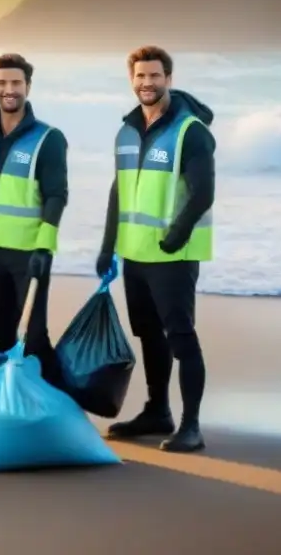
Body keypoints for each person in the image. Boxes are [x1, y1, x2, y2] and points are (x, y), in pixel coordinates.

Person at [99, 46, 215, 454]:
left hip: (173, 256)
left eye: (155, 76)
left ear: (169, 77)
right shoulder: (127, 131)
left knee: (180, 337)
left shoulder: (190, 130)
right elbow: (120, 189)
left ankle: (191, 425)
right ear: (132, 79)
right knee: (149, 335)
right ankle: (157, 411)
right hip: (135, 253)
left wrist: (178, 234)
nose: (147, 83)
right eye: (140, 76)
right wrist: (107, 244)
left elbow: (203, 192)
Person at [0, 53, 69, 353]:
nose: (9, 89)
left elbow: (57, 196)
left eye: (16, 82)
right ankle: (8, 397)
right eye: (2, 82)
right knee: (2, 335)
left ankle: (43, 392)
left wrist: (44, 247)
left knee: (32, 334)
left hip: (28, 252)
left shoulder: (48, 139)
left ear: (28, 87)